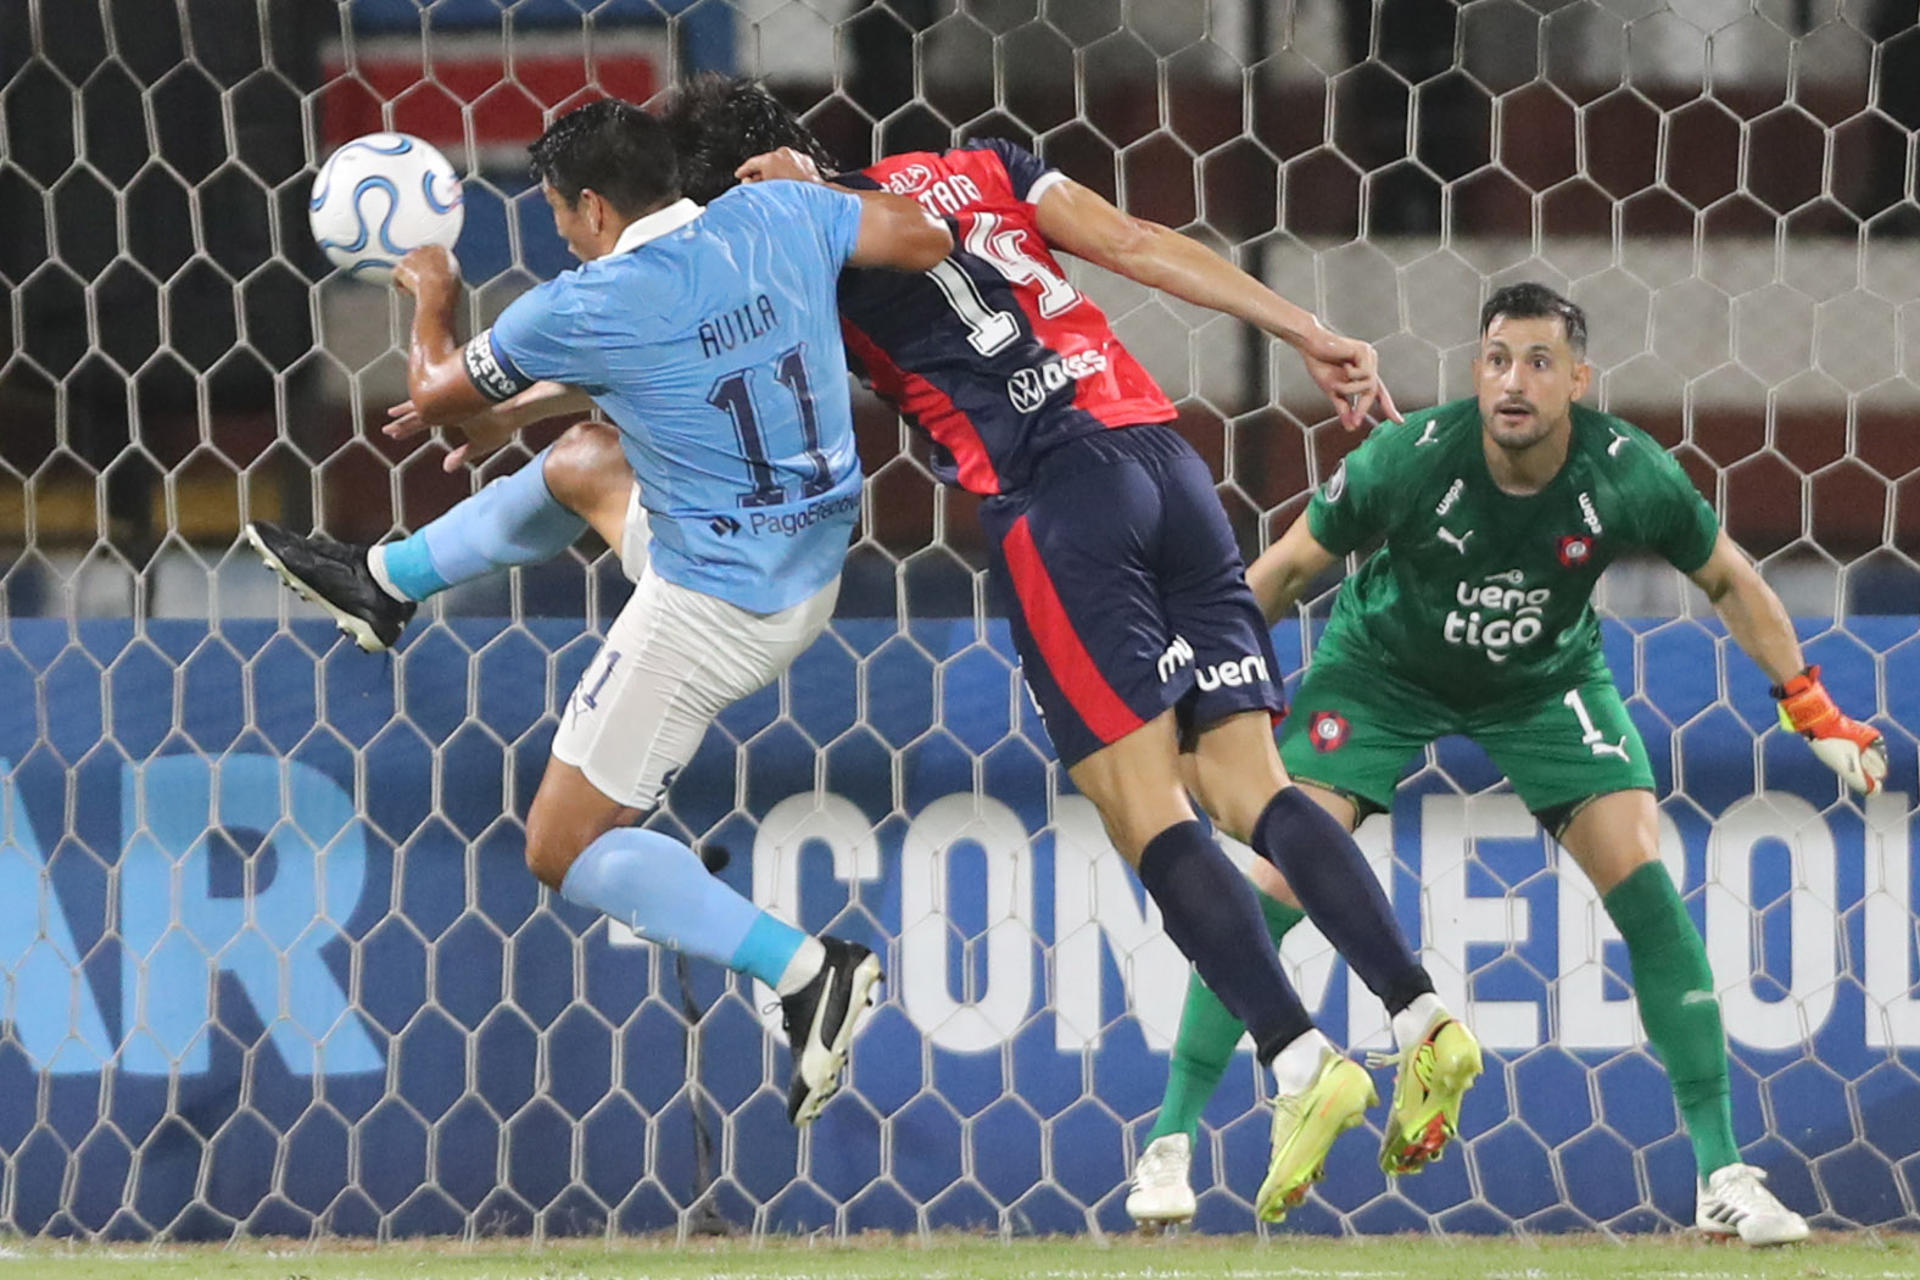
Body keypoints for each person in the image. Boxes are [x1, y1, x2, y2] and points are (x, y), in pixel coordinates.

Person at [251, 78, 1482, 1222]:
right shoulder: (954, 174)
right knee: (1249, 783)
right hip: (1158, 453)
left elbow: (614, 347)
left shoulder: (769, 244)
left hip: (1007, 510)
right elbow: (1120, 245)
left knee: (1138, 803)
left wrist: (450, 322)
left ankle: (1294, 1054)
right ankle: (1420, 1006)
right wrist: (1305, 328)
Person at [1126, 282, 1885, 1242]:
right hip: (1380, 672)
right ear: (1475, 370)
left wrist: (1808, 705)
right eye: (1495, 360)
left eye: (1536, 362)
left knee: (1646, 882)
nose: (1512, 382)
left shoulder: (1626, 472)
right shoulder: (1407, 459)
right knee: (1272, 877)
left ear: (1579, 378)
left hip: (1543, 683)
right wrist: (1190, 694)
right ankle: (1170, 1143)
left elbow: (1729, 577)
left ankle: (1721, 1175)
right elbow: (1279, 572)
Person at [252, 99, 952, 1126]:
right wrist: (809, 182)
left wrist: (432, 292)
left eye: (553, 211)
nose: (556, 231)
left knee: (561, 846)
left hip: (713, 605)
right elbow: (924, 236)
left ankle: (806, 970)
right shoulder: (779, 216)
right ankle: (386, 579)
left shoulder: (590, 300)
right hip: (809, 558)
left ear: (590, 205)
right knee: (585, 460)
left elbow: (439, 395)